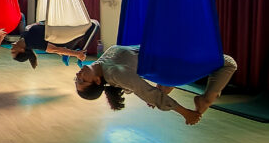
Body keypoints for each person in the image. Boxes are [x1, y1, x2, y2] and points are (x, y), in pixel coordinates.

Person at [74, 44, 237, 125]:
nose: (77, 76)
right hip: (174, 64)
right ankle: (206, 100)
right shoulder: (115, 73)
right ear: (97, 81)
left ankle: (165, 86)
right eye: (82, 81)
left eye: (76, 80)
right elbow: (149, 93)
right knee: (228, 63)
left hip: (165, 54)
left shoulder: (102, 62)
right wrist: (185, 113)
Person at [10, 21, 97, 69]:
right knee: (93, 25)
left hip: (57, 27)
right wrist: (77, 54)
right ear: (22, 50)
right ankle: (72, 54)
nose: (11, 49)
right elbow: (55, 49)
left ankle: (66, 55)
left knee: (92, 25)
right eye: (14, 52)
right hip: (64, 37)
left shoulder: (23, 37)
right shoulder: (32, 43)